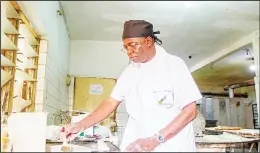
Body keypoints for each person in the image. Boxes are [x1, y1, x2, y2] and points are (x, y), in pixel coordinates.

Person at [64, 20, 202, 152]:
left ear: (148, 41)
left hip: (172, 146)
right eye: (125, 47)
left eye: (133, 45)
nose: (129, 51)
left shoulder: (173, 65)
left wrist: (156, 139)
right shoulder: (130, 72)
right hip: (139, 146)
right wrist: (81, 125)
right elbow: (111, 102)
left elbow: (190, 111)